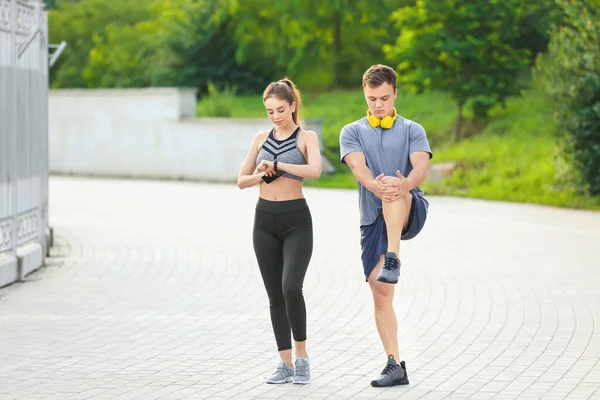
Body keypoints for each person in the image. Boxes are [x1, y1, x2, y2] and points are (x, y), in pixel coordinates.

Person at [339, 64, 432, 387]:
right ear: (364, 95)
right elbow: (358, 168)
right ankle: (395, 364)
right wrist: (375, 186)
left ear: (395, 94)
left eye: (384, 98)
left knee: (395, 184)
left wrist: (402, 185)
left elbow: (421, 167)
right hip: (371, 217)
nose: (378, 104)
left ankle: (394, 255)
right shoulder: (351, 131)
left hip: (408, 205)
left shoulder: (412, 129)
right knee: (381, 294)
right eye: (371, 98)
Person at [237, 77, 322, 385]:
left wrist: (282, 166)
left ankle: (302, 359)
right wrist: (262, 174)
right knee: (275, 295)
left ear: (293, 106)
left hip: (296, 220)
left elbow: (315, 170)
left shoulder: (306, 136)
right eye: (270, 111)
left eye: (280, 110)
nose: (275, 116)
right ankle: (284, 363)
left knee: (291, 287)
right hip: (264, 221)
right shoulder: (261, 138)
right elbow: (241, 180)